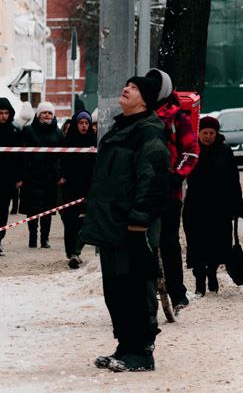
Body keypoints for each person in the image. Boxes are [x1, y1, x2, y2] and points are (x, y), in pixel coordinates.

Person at [80, 75, 170, 373]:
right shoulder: (123, 128)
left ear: (145, 99)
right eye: (127, 85)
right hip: (112, 226)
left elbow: (154, 179)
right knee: (116, 289)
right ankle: (125, 346)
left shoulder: (149, 133)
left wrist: (139, 220)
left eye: (134, 88)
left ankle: (142, 351)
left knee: (136, 287)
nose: (126, 89)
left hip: (133, 227)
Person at [145, 68, 199, 311]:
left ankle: (178, 292)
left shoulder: (177, 117)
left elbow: (190, 151)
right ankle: (142, 292)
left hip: (169, 191)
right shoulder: (139, 114)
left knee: (168, 241)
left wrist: (176, 177)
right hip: (142, 191)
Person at [184, 116, 243, 296]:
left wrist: (237, 207)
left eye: (211, 133)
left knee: (217, 244)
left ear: (217, 134)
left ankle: (212, 274)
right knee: (196, 244)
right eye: (205, 133)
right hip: (196, 207)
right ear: (199, 133)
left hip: (220, 208)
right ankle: (199, 280)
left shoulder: (225, 151)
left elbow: (234, 179)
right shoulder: (192, 151)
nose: (208, 136)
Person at [19, 101, 62, 248]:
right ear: (38, 115)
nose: (47, 115)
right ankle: (32, 238)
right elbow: (21, 154)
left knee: (47, 210)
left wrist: (60, 173)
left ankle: (45, 239)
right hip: (32, 175)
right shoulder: (28, 131)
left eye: (50, 113)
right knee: (32, 209)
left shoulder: (58, 132)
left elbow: (62, 156)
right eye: (44, 112)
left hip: (50, 177)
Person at [58, 111, 96, 268]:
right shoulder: (68, 141)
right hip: (70, 187)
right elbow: (60, 161)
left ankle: (76, 250)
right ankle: (71, 253)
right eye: (81, 123)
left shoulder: (93, 141)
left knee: (85, 221)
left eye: (87, 123)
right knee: (70, 220)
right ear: (75, 124)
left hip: (88, 187)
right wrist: (61, 176)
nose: (84, 126)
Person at [0, 98, 22, 255]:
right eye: (0, 113)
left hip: (6, 179)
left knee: (2, 212)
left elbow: (20, 156)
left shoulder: (14, 132)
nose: (3, 116)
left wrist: (19, 177)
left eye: (6, 113)